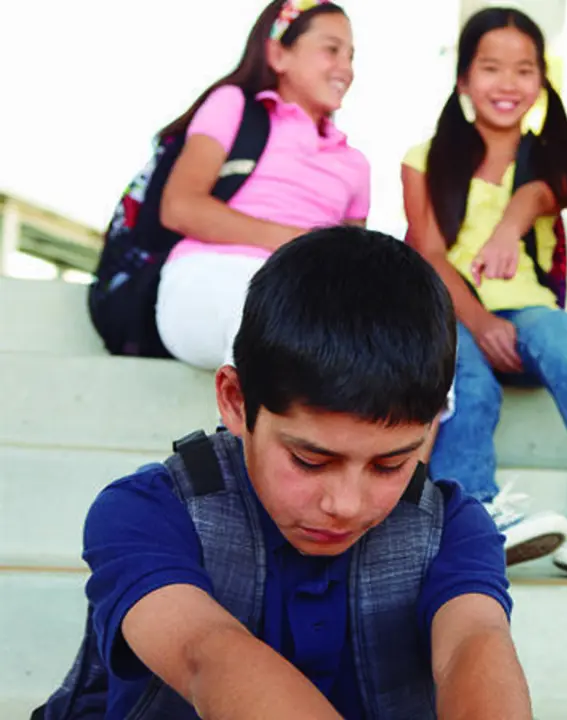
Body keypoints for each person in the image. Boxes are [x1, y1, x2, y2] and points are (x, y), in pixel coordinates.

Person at [35, 227, 530, 720]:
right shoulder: (146, 512)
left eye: (390, 464)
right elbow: (207, 655)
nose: (346, 503)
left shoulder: (452, 529)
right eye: (311, 461)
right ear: (235, 399)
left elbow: (474, 641)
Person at [402, 7, 567, 581]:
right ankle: (473, 512)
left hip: (529, 314)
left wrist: (507, 227)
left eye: (524, 70)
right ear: (464, 77)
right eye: (491, 68)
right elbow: (429, 254)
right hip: (451, 314)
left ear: (542, 79)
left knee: (566, 339)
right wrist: (479, 321)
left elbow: (544, 194)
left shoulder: (550, 157)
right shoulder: (424, 158)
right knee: (467, 381)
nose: (508, 84)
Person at [154, 0, 370, 370]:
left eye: (351, 56)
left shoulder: (355, 164)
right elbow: (180, 207)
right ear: (278, 53)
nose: (346, 69)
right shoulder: (233, 106)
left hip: (304, 294)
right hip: (207, 278)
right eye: (331, 50)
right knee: (270, 313)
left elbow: (348, 264)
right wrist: (302, 244)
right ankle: (240, 429)